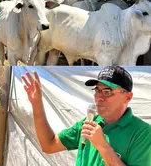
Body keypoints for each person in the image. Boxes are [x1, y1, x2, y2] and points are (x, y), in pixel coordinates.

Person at [21, 66, 151, 166]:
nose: (98, 98)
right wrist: (37, 104)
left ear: (127, 97)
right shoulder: (89, 123)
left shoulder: (143, 133)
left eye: (107, 92)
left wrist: (102, 146)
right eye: (97, 91)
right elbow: (49, 145)